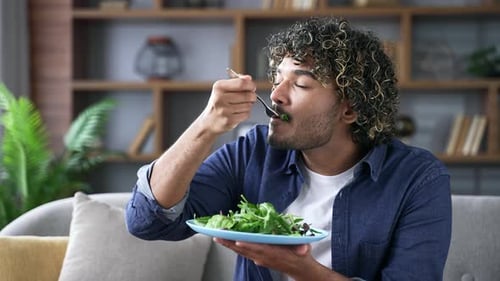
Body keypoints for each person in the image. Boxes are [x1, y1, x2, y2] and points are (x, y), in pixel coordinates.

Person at [125, 16, 452, 281]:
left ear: (349, 110)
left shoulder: (418, 178)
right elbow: (147, 221)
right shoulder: (254, 152)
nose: (277, 95)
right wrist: (205, 125)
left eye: (301, 83)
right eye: (278, 78)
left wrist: (300, 269)